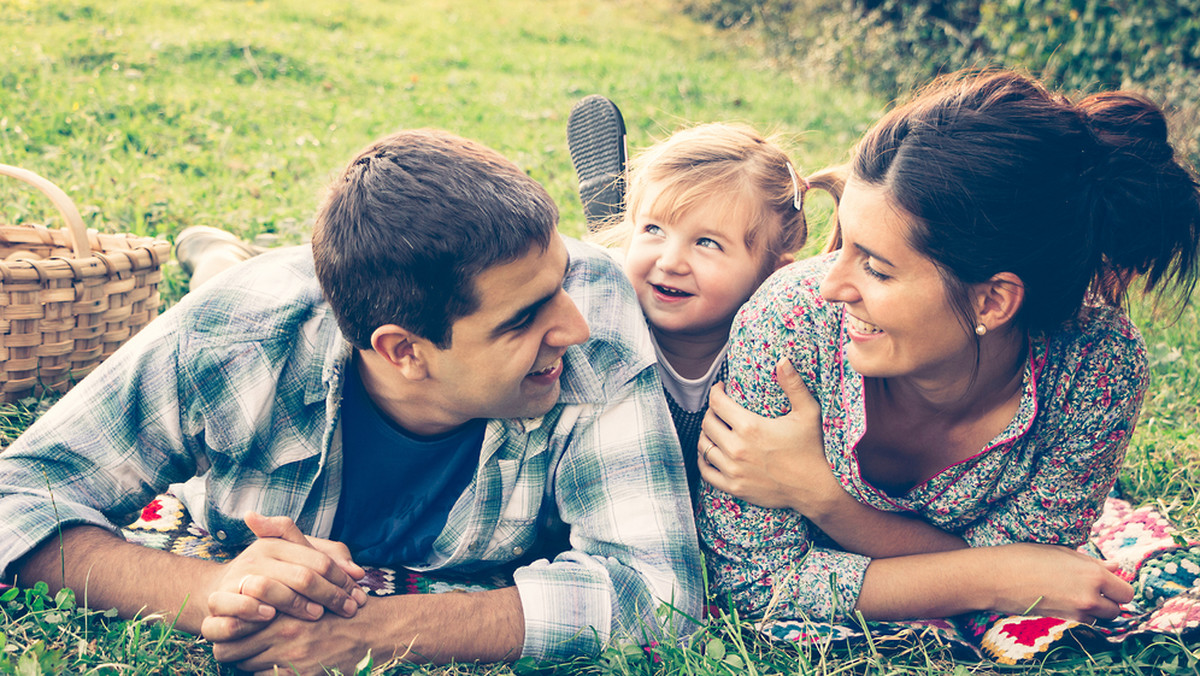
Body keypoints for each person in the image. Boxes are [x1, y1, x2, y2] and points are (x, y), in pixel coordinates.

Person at [0, 129, 703, 673]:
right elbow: (18, 495)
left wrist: (369, 633)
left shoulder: (596, 317)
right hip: (268, 301)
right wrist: (214, 589)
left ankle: (221, 250)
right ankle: (218, 258)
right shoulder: (232, 335)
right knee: (223, 281)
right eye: (521, 320)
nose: (572, 327)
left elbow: (663, 596)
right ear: (404, 351)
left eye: (561, 283)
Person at [696, 69, 1200, 625]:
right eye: (844, 242)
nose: (830, 285)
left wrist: (824, 500)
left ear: (992, 302)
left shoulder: (1096, 370)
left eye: (877, 268)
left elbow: (1029, 564)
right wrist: (1001, 576)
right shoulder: (791, 323)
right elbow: (754, 582)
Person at [587, 122, 817, 497]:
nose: (672, 261)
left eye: (707, 242)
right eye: (653, 229)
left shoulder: (775, 356)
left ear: (773, 276)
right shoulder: (605, 326)